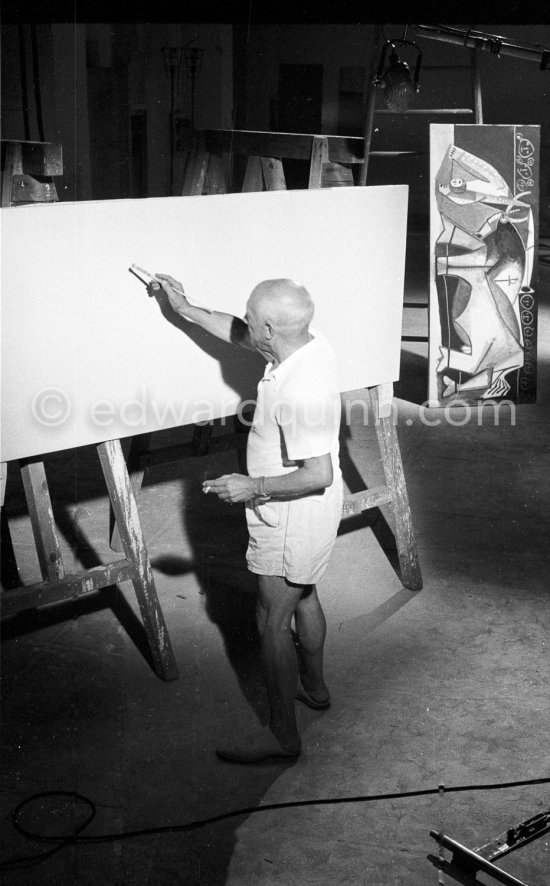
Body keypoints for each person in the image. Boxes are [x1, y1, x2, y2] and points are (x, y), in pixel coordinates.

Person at [153, 274, 343, 763]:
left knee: (270, 620)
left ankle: (283, 737)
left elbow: (316, 473)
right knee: (304, 595)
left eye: (254, 319)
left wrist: (249, 486)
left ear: (271, 327)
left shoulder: (300, 388)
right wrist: (186, 307)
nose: (247, 325)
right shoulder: (307, 343)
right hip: (311, 516)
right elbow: (241, 331)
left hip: (290, 513)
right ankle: (316, 690)